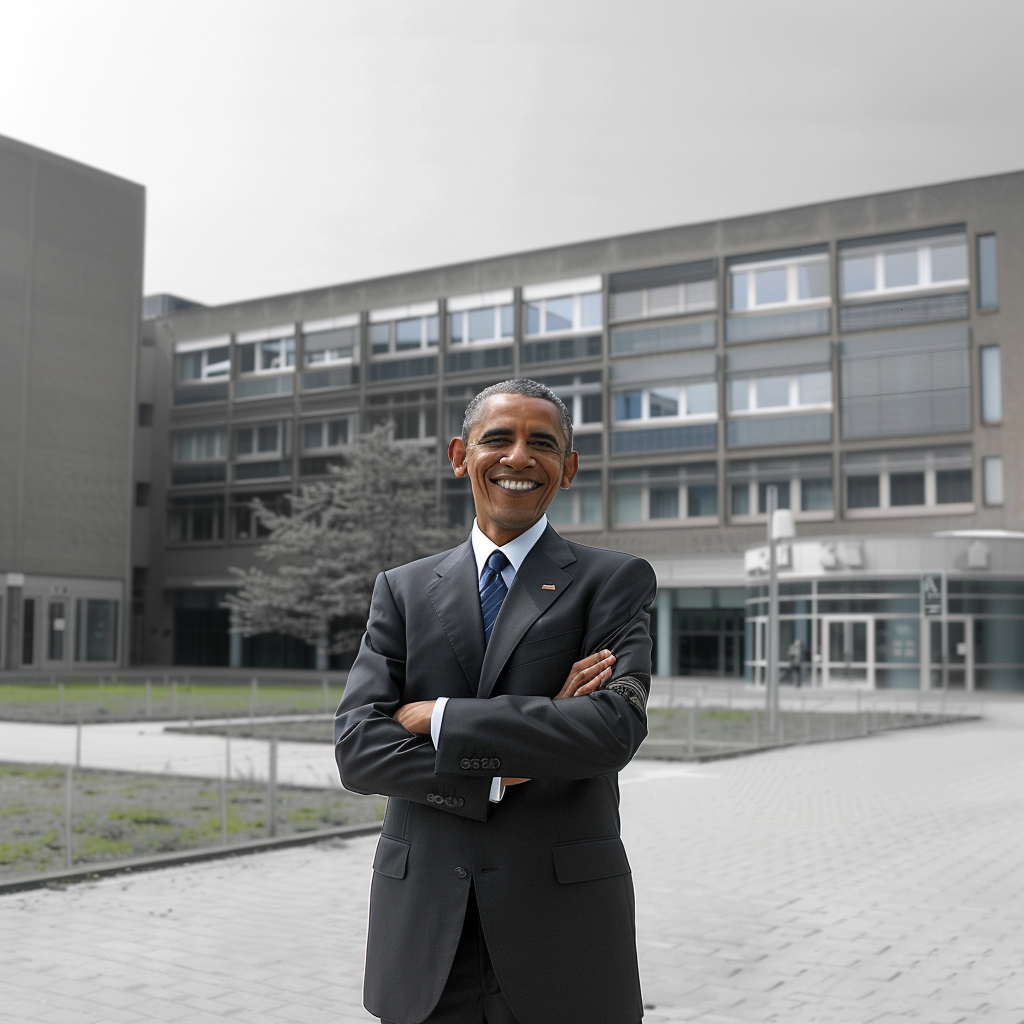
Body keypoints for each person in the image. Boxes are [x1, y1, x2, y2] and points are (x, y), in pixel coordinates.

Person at [335, 379, 657, 1024]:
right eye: (498, 439)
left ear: (567, 469)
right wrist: (508, 763)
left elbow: (611, 729)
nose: (518, 457)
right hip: (425, 932)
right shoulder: (400, 590)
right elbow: (359, 751)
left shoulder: (613, 582)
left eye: (542, 443)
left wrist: (441, 716)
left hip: (561, 933)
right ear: (461, 455)